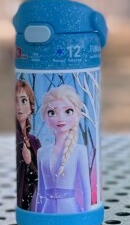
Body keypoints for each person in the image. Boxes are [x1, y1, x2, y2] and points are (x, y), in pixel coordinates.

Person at [33, 84, 92, 214]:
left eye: (68, 111)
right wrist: (36, 216)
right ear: (45, 117)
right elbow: (41, 191)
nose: (61, 118)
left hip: (71, 211)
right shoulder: (42, 152)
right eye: (52, 112)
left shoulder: (79, 151)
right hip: (46, 212)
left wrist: (87, 216)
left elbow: (86, 189)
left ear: (77, 114)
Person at [16, 79, 40, 211]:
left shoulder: (34, 142)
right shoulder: (15, 140)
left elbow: (40, 179)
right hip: (22, 206)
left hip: (35, 205)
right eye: (15, 101)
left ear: (31, 107)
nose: (19, 107)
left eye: (23, 100)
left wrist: (29, 162)